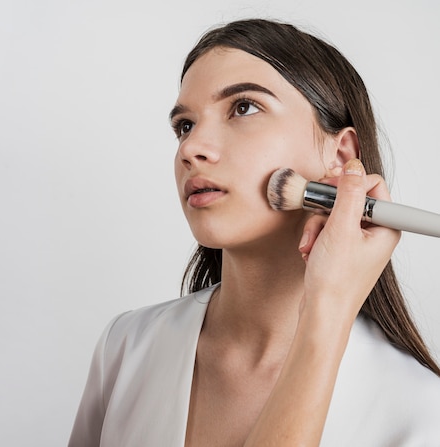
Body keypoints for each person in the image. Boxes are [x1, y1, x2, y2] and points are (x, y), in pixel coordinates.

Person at [68, 19, 440, 446]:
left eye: (243, 107)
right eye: (184, 125)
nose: (190, 149)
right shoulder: (127, 346)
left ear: (341, 155)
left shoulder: (419, 410)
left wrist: (327, 310)